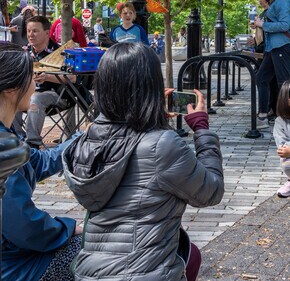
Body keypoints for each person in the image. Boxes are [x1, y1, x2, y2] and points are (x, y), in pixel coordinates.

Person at [62, 42, 224, 281]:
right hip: (145, 273)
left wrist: (154, 117)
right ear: (151, 86)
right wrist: (201, 128)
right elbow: (211, 191)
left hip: (90, 272)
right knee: (191, 255)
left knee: (193, 254)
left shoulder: (87, 140)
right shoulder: (162, 144)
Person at [0, 43, 83, 281]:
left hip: (14, 257)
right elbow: (23, 226)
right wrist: (66, 229)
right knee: (99, 251)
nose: (35, 84)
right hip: (15, 267)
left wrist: (89, 134)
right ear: (10, 88)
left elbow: (40, 162)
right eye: (30, 77)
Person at [20, 16, 76, 148]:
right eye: (28, 31)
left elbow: (72, 78)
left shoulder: (61, 52)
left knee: (36, 98)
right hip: (29, 93)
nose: (30, 35)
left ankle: (32, 144)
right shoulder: (25, 52)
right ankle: (16, 137)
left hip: (57, 95)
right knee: (9, 93)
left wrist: (47, 77)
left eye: (35, 31)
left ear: (47, 32)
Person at [253, 0, 290, 129]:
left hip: (282, 46)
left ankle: (288, 118)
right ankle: (264, 115)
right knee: (262, 78)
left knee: (283, 83)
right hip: (274, 47)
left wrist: (262, 25)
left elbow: (285, 25)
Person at [248, 0, 279, 121]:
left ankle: (265, 111)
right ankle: (270, 110)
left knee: (263, 79)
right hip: (266, 51)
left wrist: (257, 43)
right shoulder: (264, 14)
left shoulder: (269, 13)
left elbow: (268, 34)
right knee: (268, 81)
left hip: (269, 50)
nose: (259, 0)